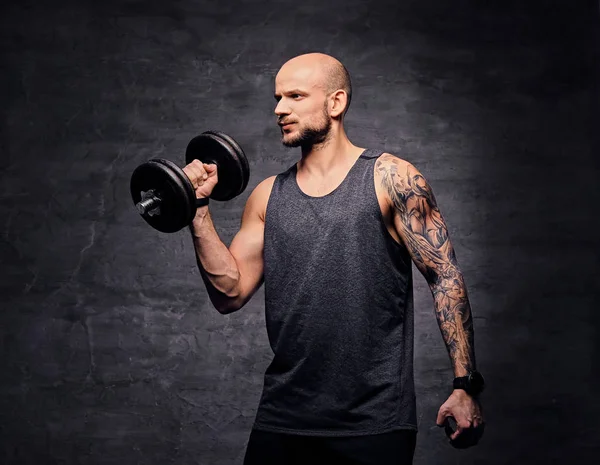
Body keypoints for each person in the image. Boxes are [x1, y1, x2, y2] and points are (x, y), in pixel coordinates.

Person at [183, 52, 485, 465]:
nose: (279, 109)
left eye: (294, 96)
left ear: (336, 103)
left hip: (374, 422)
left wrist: (464, 384)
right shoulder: (268, 197)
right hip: (284, 417)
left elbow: (445, 277)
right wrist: (197, 209)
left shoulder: (391, 178)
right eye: (277, 97)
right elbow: (229, 293)